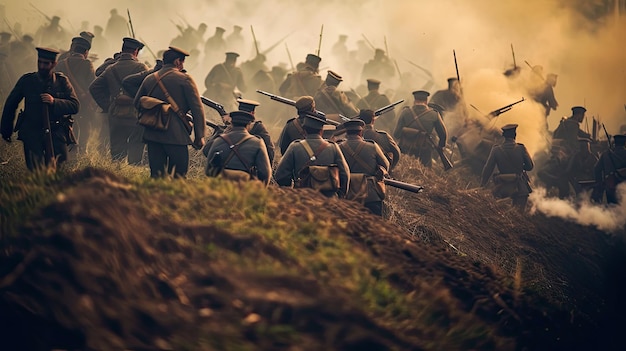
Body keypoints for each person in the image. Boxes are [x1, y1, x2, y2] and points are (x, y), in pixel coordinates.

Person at [1, 47, 79, 170]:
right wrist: (6, 130)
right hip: (32, 132)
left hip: (56, 132)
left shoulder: (62, 81)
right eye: (40, 62)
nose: (42, 66)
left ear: (54, 64)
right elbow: (11, 104)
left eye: (46, 63)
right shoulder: (27, 81)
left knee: (60, 169)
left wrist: (54, 102)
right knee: (36, 170)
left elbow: (74, 105)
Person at [133, 47, 205, 178]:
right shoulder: (185, 79)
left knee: (156, 176)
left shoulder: (149, 78)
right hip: (176, 136)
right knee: (178, 177)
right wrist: (199, 136)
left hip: (152, 134)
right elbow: (197, 109)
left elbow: (137, 103)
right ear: (178, 61)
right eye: (182, 62)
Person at [89, 37, 148, 164]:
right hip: (135, 115)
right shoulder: (141, 67)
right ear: (136, 51)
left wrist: (108, 106)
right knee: (135, 149)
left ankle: (116, 174)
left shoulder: (111, 68)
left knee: (117, 152)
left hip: (115, 114)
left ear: (122, 50)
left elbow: (94, 87)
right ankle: (133, 176)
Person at [274, 112, 350, 198]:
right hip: (329, 200)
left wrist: (292, 191)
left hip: (301, 198)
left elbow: (280, 175)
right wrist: (340, 195)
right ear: (321, 131)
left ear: (304, 130)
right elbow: (345, 174)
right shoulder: (333, 147)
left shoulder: (295, 147)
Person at [55, 36, 97, 156]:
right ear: (86, 52)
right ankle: (81, 152)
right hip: (81, 103)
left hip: (63, 102)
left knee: (64, 127)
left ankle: (66, 151)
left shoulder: (61, 63)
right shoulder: (87, 63)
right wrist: (89, 101)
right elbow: (92, 84)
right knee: (83, 128)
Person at [338, 119, 389, 216]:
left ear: (346, 133)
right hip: (371, 194)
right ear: (361, 132)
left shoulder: (338, 147)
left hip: (347, 194)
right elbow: (386, 165)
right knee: (375, 227)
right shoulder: (372, 146)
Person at [205, 110, 271, 185]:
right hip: (245, 188)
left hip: (220, 187)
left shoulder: (218, 140)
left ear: (231, 123)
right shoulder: (258, 143)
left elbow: (208, 171)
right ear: (249, 125)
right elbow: (265, 174)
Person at [480, 124, 534, 211]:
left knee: (498, 213)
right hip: (519, 187)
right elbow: (530, 167)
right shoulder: (521, 148)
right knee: (518, 216)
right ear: (515, 135)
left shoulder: (496, 150)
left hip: (502, 187)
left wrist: (482, 185)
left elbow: (488, 168)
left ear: (503, 136)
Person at [203, 98, 274, 164]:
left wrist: (223, 132)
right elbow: (270, 153)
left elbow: (207, 151)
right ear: (252, 113)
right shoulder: (258, 128)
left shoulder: (227, 129)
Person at [393, 90, 447, 168]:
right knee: (426, 174)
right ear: (426, 101)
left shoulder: (405, 112)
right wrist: (440, 147)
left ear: (414, 100)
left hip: (405, 151)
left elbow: (396, 134)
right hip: (424, 152)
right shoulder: (434, 114)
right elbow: (443, 135)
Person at [593, 134, 626, 204]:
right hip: (624, 187)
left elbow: (597, 169)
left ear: (615, 143)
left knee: (611, 208)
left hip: (610, 186)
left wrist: (600, 183)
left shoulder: (606, 154)